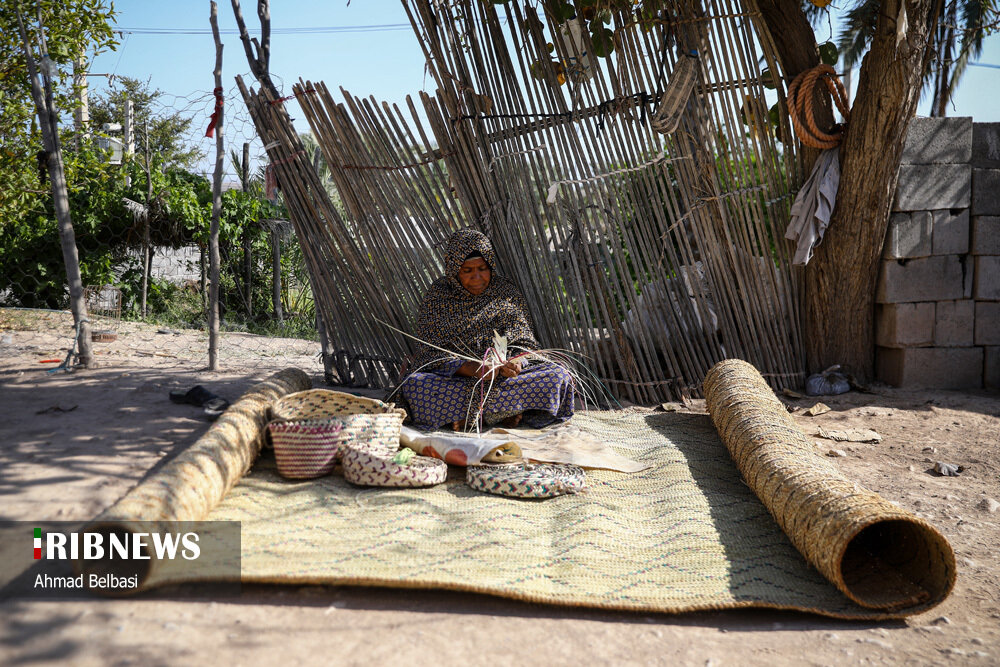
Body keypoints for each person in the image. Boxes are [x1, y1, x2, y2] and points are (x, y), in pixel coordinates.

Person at [395, 229, 575, 431]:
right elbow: (429, 354)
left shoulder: (505, 292)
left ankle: (476, 416)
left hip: (504, 380)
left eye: (482, 268)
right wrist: (471, 368)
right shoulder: (437, 297)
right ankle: (502, 413)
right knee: (416, 386)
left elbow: (524, 340)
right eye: (467, 271)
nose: (477, 277)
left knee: (557, 375)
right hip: (457, 380)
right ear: (454, 270)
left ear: (491, 265)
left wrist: (516, 363)